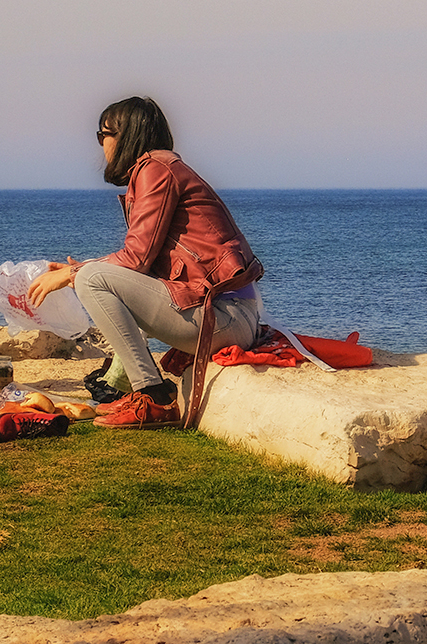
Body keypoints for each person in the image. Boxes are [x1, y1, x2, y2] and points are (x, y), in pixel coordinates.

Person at [29, 97, 263, 429]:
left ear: (125, 136)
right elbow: (142, 264)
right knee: (93, 276)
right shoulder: (160, 168)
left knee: (91, 279)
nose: (102, 145)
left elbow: (136, 258)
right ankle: (140, 388)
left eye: (103, 135)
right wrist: (81, 270)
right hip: (228, 315)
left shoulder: (156, 170)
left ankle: (153, 396)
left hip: (224, 318)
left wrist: (73, 273)